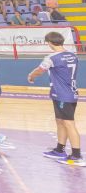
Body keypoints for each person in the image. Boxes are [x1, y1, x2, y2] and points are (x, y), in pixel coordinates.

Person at [28, 32, 83, 166]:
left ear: (50, 43)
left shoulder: (52, 57)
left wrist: (31, 76)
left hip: (63, 94)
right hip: (69, 92)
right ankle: (60, 150)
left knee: (69, 123)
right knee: (60, 121)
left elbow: (40, 70)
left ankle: (76, 155)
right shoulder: (72, 55)